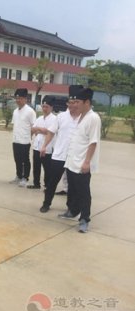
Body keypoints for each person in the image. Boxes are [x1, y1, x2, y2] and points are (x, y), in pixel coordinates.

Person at [39, 85, 82, 213]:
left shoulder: (83, 118)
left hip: (74, 157)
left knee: (72, 185)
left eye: (75, 102)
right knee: (52, 182)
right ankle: (46, 204)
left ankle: (70, 207)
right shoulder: (61, 117)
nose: (71, 105)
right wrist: (44, 146)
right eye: (70, 102)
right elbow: (51, 132)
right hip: (59, 156)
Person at [63, 87, 101, 233]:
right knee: (72, 189)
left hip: (82, 164)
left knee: (83, 192)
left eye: (77, 102)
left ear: (87, 102)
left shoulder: (93, 118)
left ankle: (84, 219)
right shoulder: (81, 117)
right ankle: (72, 211)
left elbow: (93, 142)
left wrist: (87, 162)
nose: (75, 104)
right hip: (72, 161)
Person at [28, 96, 57, 189]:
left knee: (47, 168)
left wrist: (39, 130)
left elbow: (49, 132)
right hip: (37, 146)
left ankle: (47, 185)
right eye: (43, 106)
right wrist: (41, 129)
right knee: (36, 166)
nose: (44, 109)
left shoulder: (54, 119)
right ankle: (36, 183)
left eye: (47, 107)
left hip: (47, 148)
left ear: (52, 107)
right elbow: (33, 129)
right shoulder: (40, 118)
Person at [10, 88, 36, 187]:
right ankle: (18, 176)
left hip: (25, 141)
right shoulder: (15, 111)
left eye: (20, 98)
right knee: (17, 159)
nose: (18, 100)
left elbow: (34, 127)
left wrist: (29, 137)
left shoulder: (30, 111)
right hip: (16, 140)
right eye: (16, 98)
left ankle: (25, 178)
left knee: (25, 160)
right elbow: (15, 125)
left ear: (25, 99)